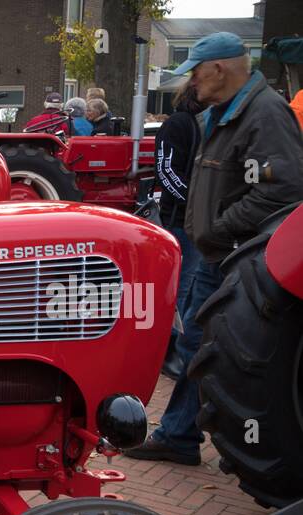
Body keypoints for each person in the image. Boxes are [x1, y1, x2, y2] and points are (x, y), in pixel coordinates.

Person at [128, 32, 303, 466]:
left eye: (196, 72)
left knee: (213, 351)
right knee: (201, 348)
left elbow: (283, 187)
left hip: (234, 258)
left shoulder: (263, 114)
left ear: (219, 69)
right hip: (216, 255)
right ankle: (197, 436)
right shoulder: (223, 114)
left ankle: (200, 437)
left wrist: (220, 230)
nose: (192, 83)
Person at [152, 81, 203, 379]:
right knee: (180, 289)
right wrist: (196, 204)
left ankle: (179, 349)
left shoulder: (209, 125)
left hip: (199, 223)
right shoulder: (179, 125)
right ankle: (171, 351)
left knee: (191, 288)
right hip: (181, 223)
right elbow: (166, 171)